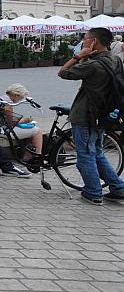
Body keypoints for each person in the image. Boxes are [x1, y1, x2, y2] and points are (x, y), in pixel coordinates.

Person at [58, 27, 124, 205]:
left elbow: (63, 73)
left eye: (85, 39)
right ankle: (117, 188)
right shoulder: (115, 60)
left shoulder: (92, 64)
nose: (83, 42)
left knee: (86, 155)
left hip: (85, 114)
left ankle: (93, 192)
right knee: (97, 153)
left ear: (94, 42)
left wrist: (78, 56)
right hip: (103, 113)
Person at [0, 83, 43, 156]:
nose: (20, 100)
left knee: (30, 131)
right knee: (37, 131)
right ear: (16, 95)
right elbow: (10, 122)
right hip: (2, 131)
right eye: (20, 98)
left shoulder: (2, 98)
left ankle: (28, 156)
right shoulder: (8, 104)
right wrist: (25, 120)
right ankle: (38, 155)